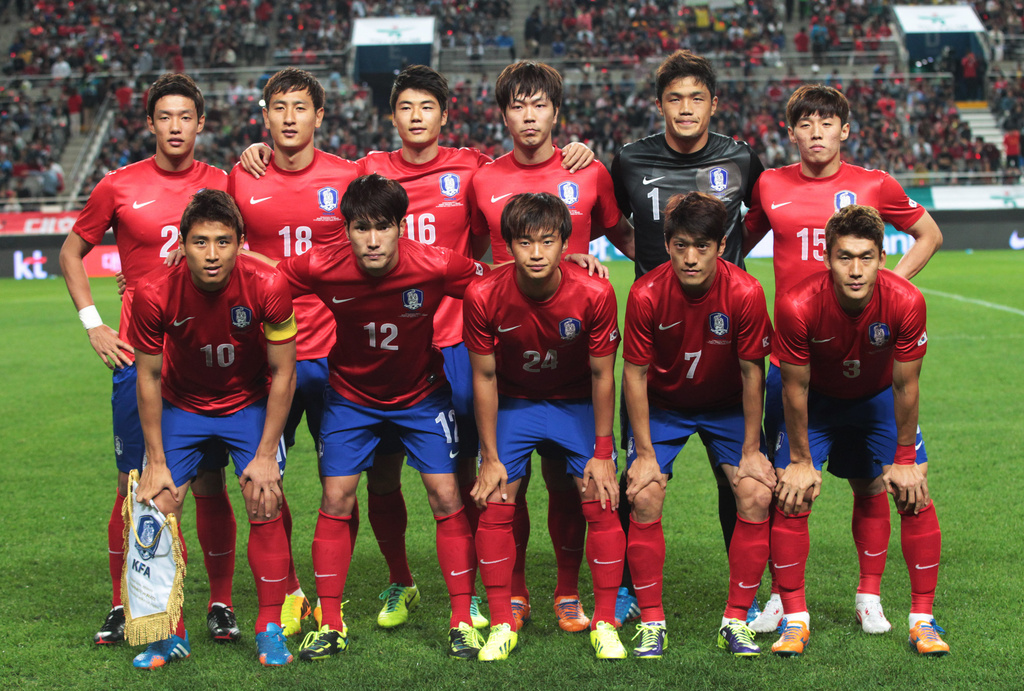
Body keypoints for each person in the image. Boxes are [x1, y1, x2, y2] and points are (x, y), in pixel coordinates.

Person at [239, 63, 597, 632]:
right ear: (391, 116)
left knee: (476, 472)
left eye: (426, 107)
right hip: (394, 350)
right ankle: (401, 579)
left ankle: (488, 590)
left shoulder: (476, 166)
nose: (415, 117)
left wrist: (572, 157)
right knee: (383, 476)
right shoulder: (370, 171)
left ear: (444, 114)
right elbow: (312, 172)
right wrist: (264, 149)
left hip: (466, 341)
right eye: (404, 107)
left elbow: (532, 198)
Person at [743, 84, 943, 635]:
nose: (816, 133)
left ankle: (869, 597)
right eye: (804, 123)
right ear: (791, 133)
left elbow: (928, 233)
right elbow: (735, 242)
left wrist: (891, 287)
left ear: (845, 130)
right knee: (789, 486)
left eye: (826, 123)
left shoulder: (874, 184)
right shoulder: (770, 183)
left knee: (871, 484)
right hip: (798, 356)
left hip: (866, 353)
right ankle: (787, 599)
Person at [58, 73, 241, 648]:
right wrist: (94, 325)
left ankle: (221, 602)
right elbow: (71, 250)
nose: (176, 126)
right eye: (166, 116)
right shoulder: (118, 187)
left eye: (187, 116)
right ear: (151, 123)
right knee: (133, 483)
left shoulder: (225, 182)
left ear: (201, 123)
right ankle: (124, 603)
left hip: (209, 359)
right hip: (141, 357)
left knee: (210, 484)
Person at [272, 174, 487, 661]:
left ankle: (460, 620)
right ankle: (330, 624)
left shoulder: (433, 263)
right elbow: (262, 280)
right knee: (336, 496)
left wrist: (570, 268)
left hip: (420, 396)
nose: (372, 240)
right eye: (361, 228)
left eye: (383, 227)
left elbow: (494, 280)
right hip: (351, 398)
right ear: (345, 230)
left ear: (400, 226)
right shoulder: (323, 265)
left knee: (447, 492)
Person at [470, 59, 634, 633]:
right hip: (507, 356)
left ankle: (568, 593)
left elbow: (622, 235)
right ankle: (512, 592)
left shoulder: (587, 172)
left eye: (540, 104)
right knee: (499, 484)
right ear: (504, 114)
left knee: (572, 487)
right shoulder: (483, 179)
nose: (529, 115)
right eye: (518, 105)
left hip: (573, 361)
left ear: (557, 113)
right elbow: (468, 251)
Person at [610, 49, 764, 626]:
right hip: (661, 318)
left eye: (696, 98)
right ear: (659, 105)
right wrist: (650, 264)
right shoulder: (628, 159)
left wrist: (735, 261)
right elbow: (607, 219)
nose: (685, 108)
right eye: (674, 98)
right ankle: (626, 586)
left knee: (742, 482)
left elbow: (764, 210)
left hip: (725, 322)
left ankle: (745, 585)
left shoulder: (741, 157)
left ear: (713, 104)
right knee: (639, 477)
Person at [128, 189, 298, 668]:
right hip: (183, 406)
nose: (211, 254)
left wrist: (267, 455)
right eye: (200, 242)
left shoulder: (268, 284)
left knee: (264, 498)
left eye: (223, 241)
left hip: (246, 404)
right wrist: (156, 463)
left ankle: (269, 628)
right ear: (181, 244)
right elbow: (148, 377)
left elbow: (284, 373)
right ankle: (166, 633)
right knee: (158, 506)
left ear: (241, 243)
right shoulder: (153, 292)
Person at [769, 204, 948, 657]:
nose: (855, 269)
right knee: (791, 494)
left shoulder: (906, 300)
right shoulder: (796, 304)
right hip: (818, 402)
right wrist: (800, 462)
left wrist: (906, 461)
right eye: (844, 257)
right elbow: (794, 388)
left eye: (866, 257)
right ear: (827, 259)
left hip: (876, 399)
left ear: (883, 259)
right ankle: (794, 618)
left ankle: (916, 618)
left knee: (913, 491)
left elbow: (907, 385)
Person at [227, 67, 362, 637]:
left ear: (319, 117)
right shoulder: (241, 176)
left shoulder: (351, 176)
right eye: (278, 107)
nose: (288, 118)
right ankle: (289, 590)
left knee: (342, 484)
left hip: (335, 353)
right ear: (264, 116)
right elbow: (212, 239)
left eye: (300, 108)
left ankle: (331, 595)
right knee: (262, 479)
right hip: (266, 356)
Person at [464, 192, 627, 661]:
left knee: (599, 496)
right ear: (508, 245)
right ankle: (503, 617)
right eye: (524, 242)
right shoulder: (483, 294)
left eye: (547, 241)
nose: (536, 253)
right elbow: (485, 376)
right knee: (496, 499)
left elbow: (602, 374)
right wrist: (490, 458)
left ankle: (601, 618)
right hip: (515, 403)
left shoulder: (595, 291)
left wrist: (602, 451)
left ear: (565, 243)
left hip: (573, 403)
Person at [622, 192, 774, 660]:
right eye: (681, 245)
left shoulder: (745, 292)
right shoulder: (645, 293)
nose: (691, 258)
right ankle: (651, 621)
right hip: (665, 406)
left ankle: (737, 618)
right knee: (644, 493)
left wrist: (752, 450)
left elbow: (754, 373)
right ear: (667, 244)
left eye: (702, 247)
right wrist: (645, 454)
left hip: (726, 406)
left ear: (722, 245)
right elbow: (634, 375)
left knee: (754, 492)